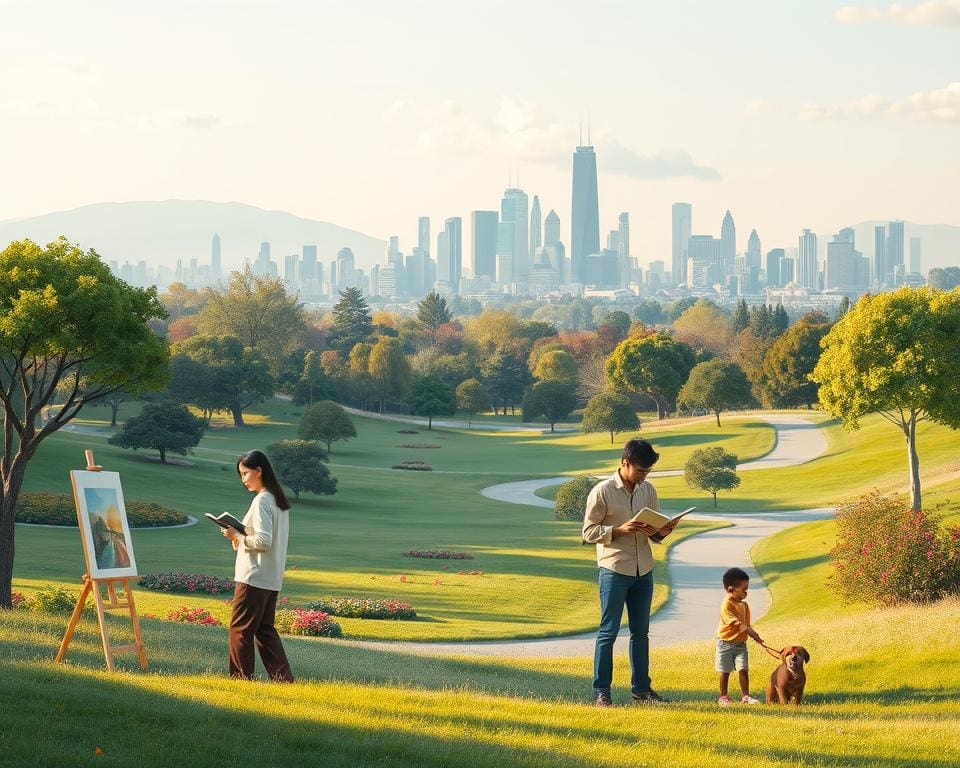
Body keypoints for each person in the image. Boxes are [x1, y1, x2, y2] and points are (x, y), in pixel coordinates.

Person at [581, 438, 678, 707]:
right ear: (625, 463)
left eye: (648, 472)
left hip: (643, 569)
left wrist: (661, 532)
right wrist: (619, 530)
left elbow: (655, 529)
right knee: (608, 632)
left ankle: (642, 690)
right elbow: (588, 532)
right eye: (641, 470)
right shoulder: (602, 492)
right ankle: (602, 692)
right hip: (614, 569)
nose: (644, 476)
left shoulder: (648, 490)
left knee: (641, 633)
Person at [222, 449, 295, 682]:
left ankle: (241, 680)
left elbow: (263, 541)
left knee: (240, 629)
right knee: (264, 630)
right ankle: (283, 679)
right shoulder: (277, 499)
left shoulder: (262, 499)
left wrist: (238, 536)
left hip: (253, 576)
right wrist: (236, 537)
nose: (243, 480)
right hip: (271, 576)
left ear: (259, 470)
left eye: (245, 473)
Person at [716, 567, 763, 706]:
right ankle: (723, 697)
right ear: (731, 589)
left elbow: (746, 624)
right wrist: (751, 633)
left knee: (743, 669)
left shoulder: (744, 605)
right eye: (743, 589)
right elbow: (735, 623)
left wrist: (754, 635)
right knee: (725, 671)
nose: (746, 592)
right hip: (725, 644)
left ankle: (746, 696)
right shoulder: (726, 605)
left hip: (741, 644)